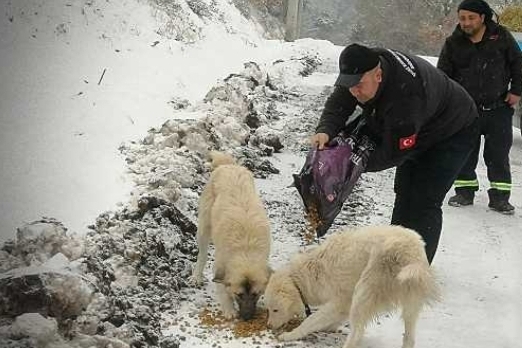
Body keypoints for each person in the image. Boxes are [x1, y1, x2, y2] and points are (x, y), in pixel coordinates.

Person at [310, 43, 479, 264]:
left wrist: (350, 166)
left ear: (378, 75)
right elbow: (340, 102)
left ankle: (416, 270)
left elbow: (392, 153)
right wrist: (324, 130)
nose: (354, 92)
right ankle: (395, 258)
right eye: (349, 86)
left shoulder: (406, 98)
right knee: (404, 191)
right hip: (422, 123)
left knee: (424, 200)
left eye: (359, 86)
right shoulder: (362, 67)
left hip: (453, 131)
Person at [437, 0, 522, 214]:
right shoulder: (453, 43)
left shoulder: (501, 37)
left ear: (482, 17)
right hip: (465, 110)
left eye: (471, 18)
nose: (466, 23)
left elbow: (518, 64)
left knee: (498, 155)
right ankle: (465, 192)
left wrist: (517, 91)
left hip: (498, 107)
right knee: (464, 152)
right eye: (462, 18)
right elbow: (443, 76)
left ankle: (500, 198)